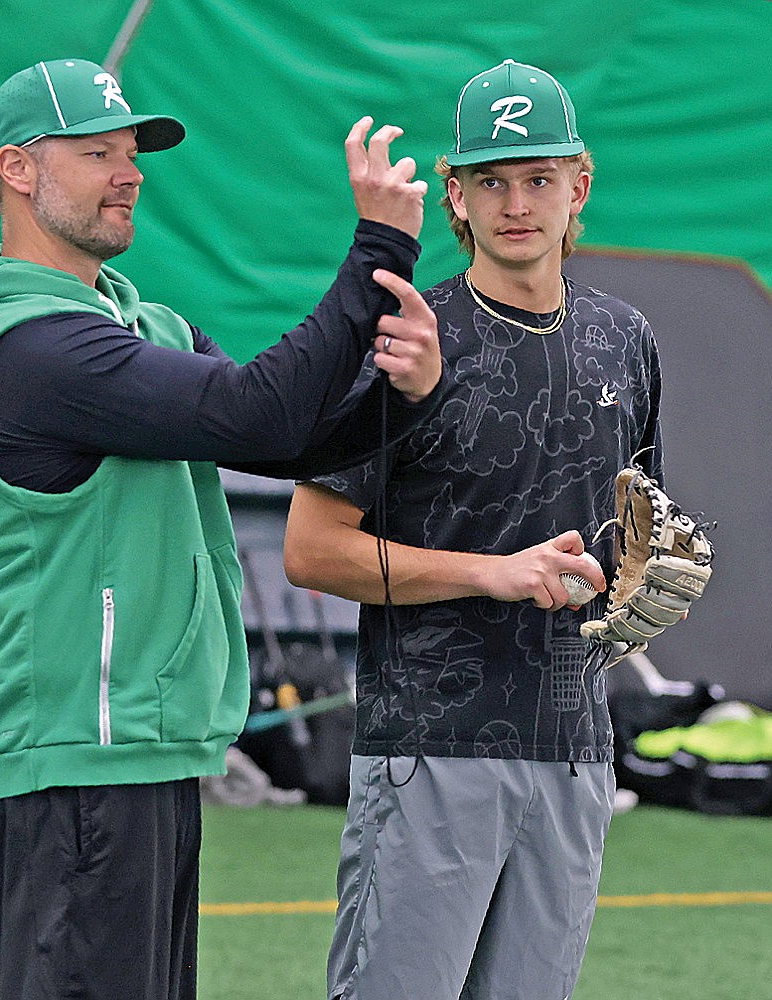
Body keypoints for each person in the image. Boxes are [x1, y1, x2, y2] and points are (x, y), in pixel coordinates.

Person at [0, 58, 445, 1000]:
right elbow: (261, 416)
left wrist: (405, 396)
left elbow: (289, 441)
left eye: (133, 154)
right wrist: (379, 250)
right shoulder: (32, 345)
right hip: (71, 761)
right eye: (97, 154)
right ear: (15, 169)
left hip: (138, 752)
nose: (129, 173)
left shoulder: (139, 325)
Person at [284, 58, 663, 1000]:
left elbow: (636, 537)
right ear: (453, 194)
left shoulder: (627, 340)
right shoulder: (407, 336)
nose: (517, 202)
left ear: (581, 181)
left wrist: (647, 593)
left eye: (539, 177)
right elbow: (310, 548)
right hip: (431, 746)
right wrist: (492, 573)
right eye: (491, 180)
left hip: (577, 750)